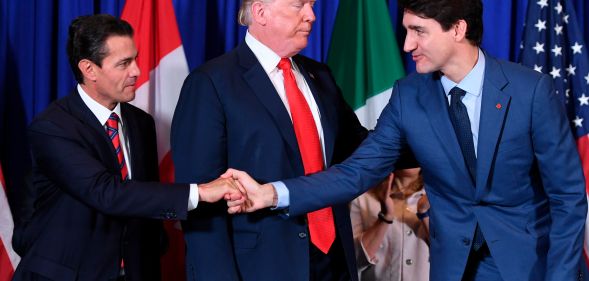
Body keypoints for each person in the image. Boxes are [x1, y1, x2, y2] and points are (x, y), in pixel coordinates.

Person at [224, 0, 588, 280]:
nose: (407, 43)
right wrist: (272, 194)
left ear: (457, 29)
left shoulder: (530, 91)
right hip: (454, 268)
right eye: (405, 30)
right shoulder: (408, 96)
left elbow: (568, 197)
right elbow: (356, 172)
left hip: (529, 265)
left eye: (419, 31)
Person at [12, 14, 243, 281]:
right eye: (124, 63)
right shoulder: (53, 126)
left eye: (135, 59)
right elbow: (106, 193)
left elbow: (143, 198)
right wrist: (201, 192)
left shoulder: (140, 123)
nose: (136, 71)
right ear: (89, 69)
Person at [170, 0, 367, 280]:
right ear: (261, 12)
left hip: (334, 261)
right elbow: (201, 200)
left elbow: (360, 148)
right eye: (299, 5)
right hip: (261, 267)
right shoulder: (211, 82)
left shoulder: (319, 75)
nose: (311, 16)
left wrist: (429, 136)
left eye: (311, 5)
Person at [350, 167, 429, 281]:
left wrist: (424, 213)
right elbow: (352, 260)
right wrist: (385, 217)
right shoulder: (362, 198)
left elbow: (453, 257)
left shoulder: (439, 197)